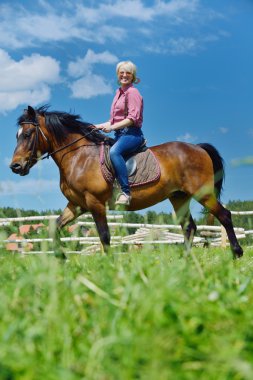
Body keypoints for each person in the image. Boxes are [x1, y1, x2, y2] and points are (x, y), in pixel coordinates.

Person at [95, 60, 145, 205]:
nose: (124, 75)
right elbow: (114, 120)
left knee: (114, 153)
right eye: (121, 72)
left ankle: (126, 193)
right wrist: (96, 126)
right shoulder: (118, 93)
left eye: (128, 73)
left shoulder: (133, 92)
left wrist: (111, 128)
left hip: (132, 134)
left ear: (133, 75)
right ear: (118, 75)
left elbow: (132, 118)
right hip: (119, 134)